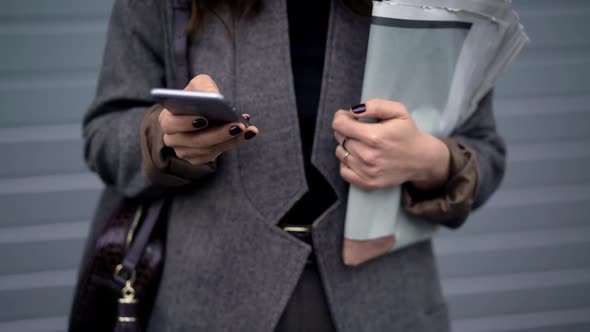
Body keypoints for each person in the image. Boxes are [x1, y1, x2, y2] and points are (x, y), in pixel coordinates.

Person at [81, 0, 506, 331]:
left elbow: (483, 149)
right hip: (209, 303)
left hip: (387, 303)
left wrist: (426, 159)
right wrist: (166, 138)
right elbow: (105, 133)